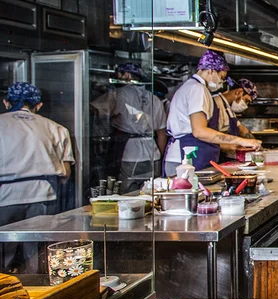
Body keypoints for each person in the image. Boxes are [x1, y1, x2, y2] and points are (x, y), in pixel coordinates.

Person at [163, 50, 261, 175]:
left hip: (188, 158)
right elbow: (200, 131)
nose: (221, 83)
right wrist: (241, 141)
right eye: (222, 77)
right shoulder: (197, 89)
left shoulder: (193, 87)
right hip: (185, 160)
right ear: (210, 70)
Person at [0, 82, 74, 228]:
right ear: (38, 105)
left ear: (5, 102)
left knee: (5, 249)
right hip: (43, 195)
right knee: (38, 249)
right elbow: (66, 172)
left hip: (4, 197)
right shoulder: (56, 128)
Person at [90, 63, 167, 193]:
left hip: (129, 154)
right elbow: (161, 133)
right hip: (153, 155)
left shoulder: (118, 94)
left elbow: (94, 110)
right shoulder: (154, 98)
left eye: (118, 74)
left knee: (128, 194)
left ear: (126, 75)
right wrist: (158, 153)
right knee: (151, 193)